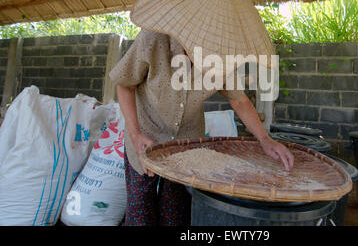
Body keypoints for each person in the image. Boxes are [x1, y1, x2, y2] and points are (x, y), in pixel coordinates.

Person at [109, 29, 294, 226]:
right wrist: (135, 134)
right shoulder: (153, 40)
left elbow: (239, 101)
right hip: (145, 137)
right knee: (141, 214)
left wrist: (265, 140)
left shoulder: (222, 58)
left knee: (176, 216)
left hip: (185, 149)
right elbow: (124, 84)